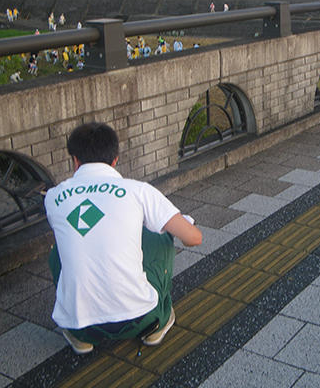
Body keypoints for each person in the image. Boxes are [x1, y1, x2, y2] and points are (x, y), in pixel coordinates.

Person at [44, 122, 202, 354]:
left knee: (61, 247)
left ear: (75, 160)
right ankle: (158, 322)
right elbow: (194, 238)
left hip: (79, 326)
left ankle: (80, 338)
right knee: (159, 233)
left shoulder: (53, 197)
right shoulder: (138, 191)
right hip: (140, 317)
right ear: (115, 159)